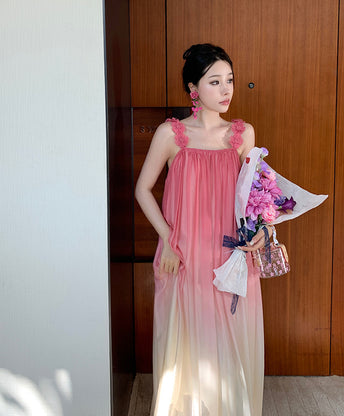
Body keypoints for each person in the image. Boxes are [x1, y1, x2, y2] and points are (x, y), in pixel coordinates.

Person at [135, 43, 270, 416]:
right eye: (215, 82)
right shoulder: (171, 134)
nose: (226, 90)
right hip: (185, 254)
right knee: (188, 341)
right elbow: (142, 190)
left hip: (231, 255)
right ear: (193, 88)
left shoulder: (243, 135)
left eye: (229, 80)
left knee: (231, 338)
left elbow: (251, 198)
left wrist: (260, 229)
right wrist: (169, 240)